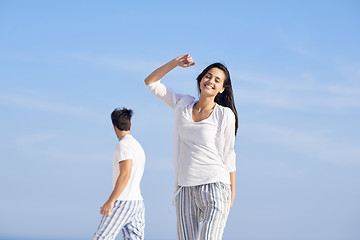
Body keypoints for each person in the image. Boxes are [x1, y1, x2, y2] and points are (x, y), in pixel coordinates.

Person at [144, 54, 238, 240]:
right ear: (201, 79)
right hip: (185, 188)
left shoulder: (224, 115)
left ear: (222, 89)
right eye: (208, 76)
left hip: (216, 186)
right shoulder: (183, 104)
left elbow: (229, 156)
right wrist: (174, 64)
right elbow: (151, 82)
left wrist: (232, 194)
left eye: (217, 80)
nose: (210, 81)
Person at [93, 108, 146, 240]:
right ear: (130, 125)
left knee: (101, 237)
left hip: (124, 201)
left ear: (114, 126)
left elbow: (125, 174)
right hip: (137, 203)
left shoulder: (124, 145)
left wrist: (110, 202)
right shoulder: (138, 146)